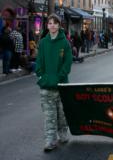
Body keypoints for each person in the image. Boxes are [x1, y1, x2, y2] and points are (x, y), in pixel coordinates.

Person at [35, 14, 73, 152]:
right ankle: (50, 140)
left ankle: (63, 133)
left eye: (55, 23)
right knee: (49, 115)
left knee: (62, 114)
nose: (52, 25)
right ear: (47, 25)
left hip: (61, 85)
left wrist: (58, 77)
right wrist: (42, 77)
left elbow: (67, 64)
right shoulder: (43, 43)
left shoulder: (64, 43)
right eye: (50, 23)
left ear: (59, 25)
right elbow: (38, 63)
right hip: (46, 86)